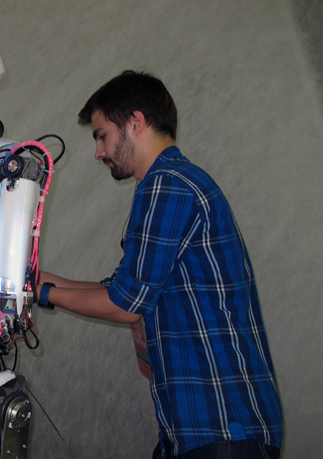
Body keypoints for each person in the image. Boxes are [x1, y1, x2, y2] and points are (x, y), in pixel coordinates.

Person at [37, 70, 283, 458]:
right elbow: (120, 287)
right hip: (194, 430)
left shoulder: (168, 185)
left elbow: (125, 304)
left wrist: (43, 293)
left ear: (135, 122)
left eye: (101, 135)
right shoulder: (168, 183)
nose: (98, 152)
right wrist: (30, 278)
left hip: (222, 426)